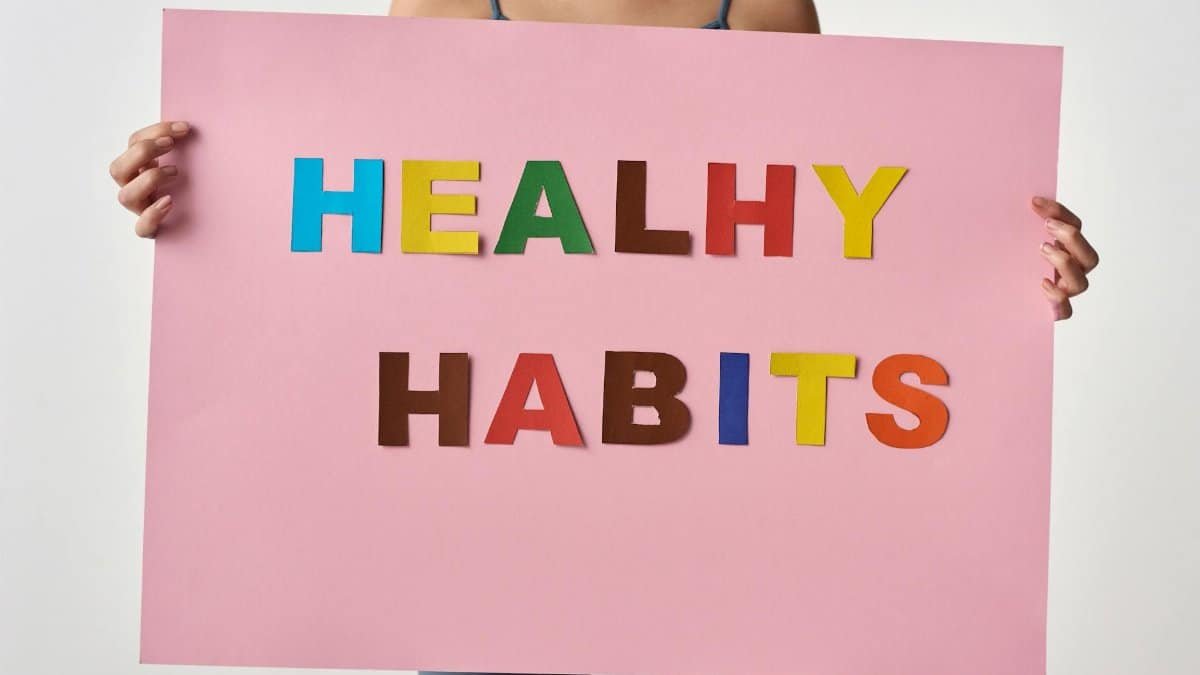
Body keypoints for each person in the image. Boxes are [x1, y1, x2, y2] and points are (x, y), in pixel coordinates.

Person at [110, 0, 1096, 672]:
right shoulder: (443, 4)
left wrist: (1003, 272)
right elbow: (379, 236)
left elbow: (824, 248)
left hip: (699, 522)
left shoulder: (761, 8)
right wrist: (207, 194)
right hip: (492, 523)